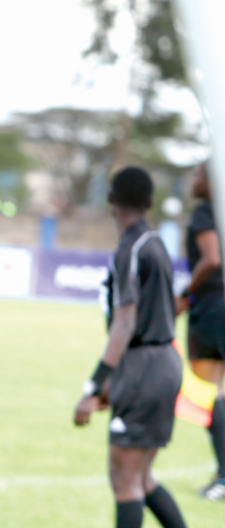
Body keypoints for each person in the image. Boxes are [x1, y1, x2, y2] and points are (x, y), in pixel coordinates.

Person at [74, 166, 187, 528]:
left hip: (143, 366)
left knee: (125, 480)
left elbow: (125, 324)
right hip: (163, 361)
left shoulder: (130, 249)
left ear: (110, 199)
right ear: (150, 202)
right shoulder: (155, 243)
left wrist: (94, 385)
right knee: (141, 477)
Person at [175, 161, 225, 500]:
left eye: (196, 174)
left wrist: (184, 293)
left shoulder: (207, 211)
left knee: (214, 393)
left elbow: (212, 259)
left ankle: (223, 478)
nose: (192, 180)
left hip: (213, 308)